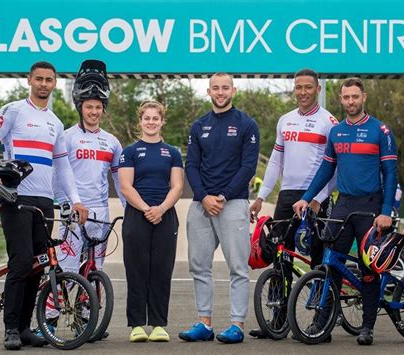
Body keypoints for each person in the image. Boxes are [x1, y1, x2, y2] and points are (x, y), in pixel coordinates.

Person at [0, 61, 88, 350]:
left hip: (44, 202)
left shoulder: (56, 123)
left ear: (54, 83)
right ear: (29, 81)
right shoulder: (13, 110)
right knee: (22, 262)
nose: (44, 84)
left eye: (49, 79)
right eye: (39, 79)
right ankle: (10, 328)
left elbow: (62, 168)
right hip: (15, 198)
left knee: (37, 267)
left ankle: (25, 328)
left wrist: (75, 200)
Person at [293, 77, 398, 346]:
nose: (350, 101)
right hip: (344, 203)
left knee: (368, 267)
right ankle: (324, 324)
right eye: (346, 97)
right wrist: (307, 197)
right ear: (341, 99)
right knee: (331, 262)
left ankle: (367, 326)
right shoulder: (336, 132)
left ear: (364, 98)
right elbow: (326, 170)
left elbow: (390, 172)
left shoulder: (380, 131)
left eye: (355, 96)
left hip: (371, 205)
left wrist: (386, 211)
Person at [249, 68, 337, 339]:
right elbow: (275, 162)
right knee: (279, 255)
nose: (302, 92)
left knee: (320, 261)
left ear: (318, 89)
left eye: (307, 87)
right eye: (298, 87)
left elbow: (336, 167)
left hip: (315, 197)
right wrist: (261, 196)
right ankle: (278, 319)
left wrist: (318, 199)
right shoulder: (284, 120)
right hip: (288, 195)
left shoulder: (329, 122)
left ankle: (323, 321)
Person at [179, 73, 260, 344]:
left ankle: (236, 324)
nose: (221, 92)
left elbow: (248, 167)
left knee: (238, 267)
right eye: (216, 88)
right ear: (209, 90)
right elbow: (191, 165)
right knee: (199, 266)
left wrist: (223, 196)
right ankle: (204, 323)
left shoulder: (246, 124)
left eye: (225, 87)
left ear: (233, 90)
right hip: (202, 204)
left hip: (233, 203)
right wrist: (203, 197)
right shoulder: (199, 125)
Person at [119, 100, 184, 342]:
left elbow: (177, 186)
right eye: (147, 118)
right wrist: (148, 209)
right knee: (136, 270)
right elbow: (126, 187)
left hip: (165, 215)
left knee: (161, 270)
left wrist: (162, 209)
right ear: (141, 121)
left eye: (155, 118)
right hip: (138, 214)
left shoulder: (173, 153)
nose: (151, 122)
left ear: (162, 121)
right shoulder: (130, 152)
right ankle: (136, 325)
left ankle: (158, 324)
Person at [54, 59, 125, 276]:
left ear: (103, 109)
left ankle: (87, 311)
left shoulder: (112, 142)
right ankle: (51, 311)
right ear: (80, 107)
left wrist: (128, 208)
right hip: (74, 212)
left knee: (95, 270)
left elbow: (119, 180)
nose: (94, 112)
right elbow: (57, 175)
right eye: (89, 107)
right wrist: (64, 204)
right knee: (68, 270)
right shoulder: (67, 137)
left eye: (98, 107)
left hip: (100, 212)